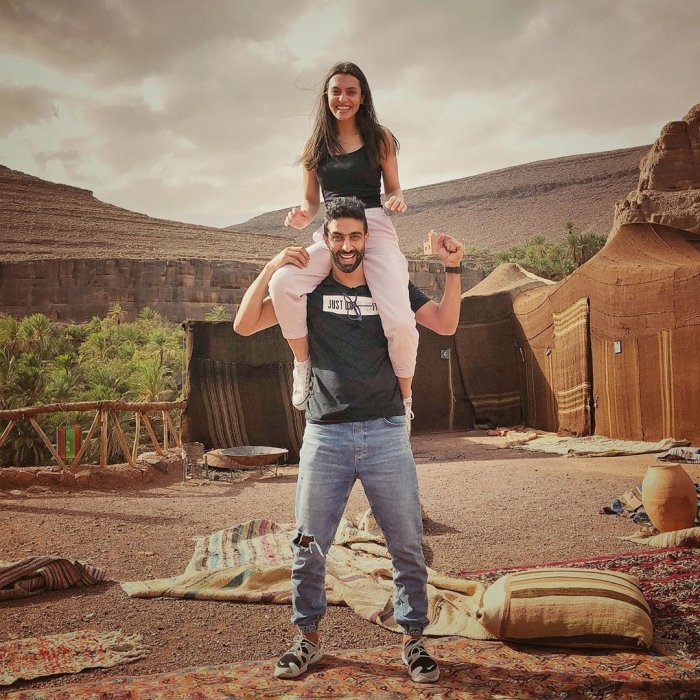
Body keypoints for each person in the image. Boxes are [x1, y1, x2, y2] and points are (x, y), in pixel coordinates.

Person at [234, 197, 464, 684]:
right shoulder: (310, 289)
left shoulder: (392, 286)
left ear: (367, 238)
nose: (346, 245)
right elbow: (245, 323)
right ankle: (307, 638)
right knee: (308, 542)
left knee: (406, 543)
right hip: (326, 433)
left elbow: (445, 323)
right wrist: (272, 267)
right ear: (326, 239)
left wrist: (453, 268)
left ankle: (414, 641)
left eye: (354, 236)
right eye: (337, 236)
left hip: (386, 431)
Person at [268, 61, 418, 423]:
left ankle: (404, 400)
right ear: (326, 96)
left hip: (374, 227)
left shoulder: (380, 138)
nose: (343, 98)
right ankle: (303, 364)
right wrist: (302, 215)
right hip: (333, 233)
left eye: (351, 91)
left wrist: (395, 200)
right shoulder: (315, 145)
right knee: (282, 283)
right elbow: (310, 201)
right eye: (336, 91)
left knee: (400, 322)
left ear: (362, 96)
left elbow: (393, 187)